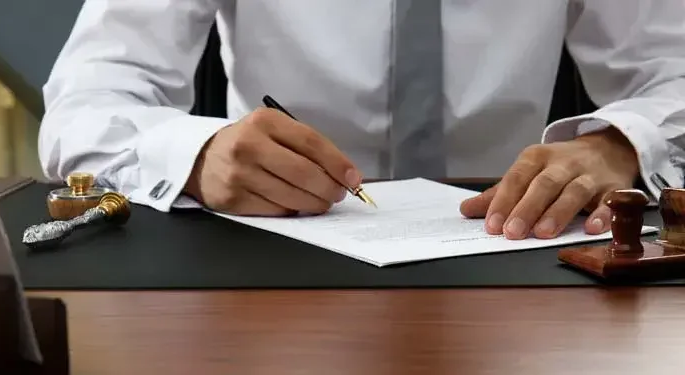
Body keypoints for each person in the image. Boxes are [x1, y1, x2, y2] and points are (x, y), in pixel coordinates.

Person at [38, 0, 685, 241]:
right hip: (267, 274)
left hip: (518, 258)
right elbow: (86, 102)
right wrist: (197, 154)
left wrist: (621, 144)